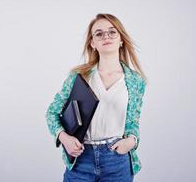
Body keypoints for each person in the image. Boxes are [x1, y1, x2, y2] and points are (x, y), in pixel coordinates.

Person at [45, 13, 147, 182]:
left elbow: (133, 123)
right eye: (99, 33)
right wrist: (65, 139)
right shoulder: (79, 76)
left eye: (112, 32)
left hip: (117, 160)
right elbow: (52, 112)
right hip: (81, 160)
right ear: (93, 43)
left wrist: (132, 141)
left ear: (121, 39)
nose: (106, 36)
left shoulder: (135, 81)